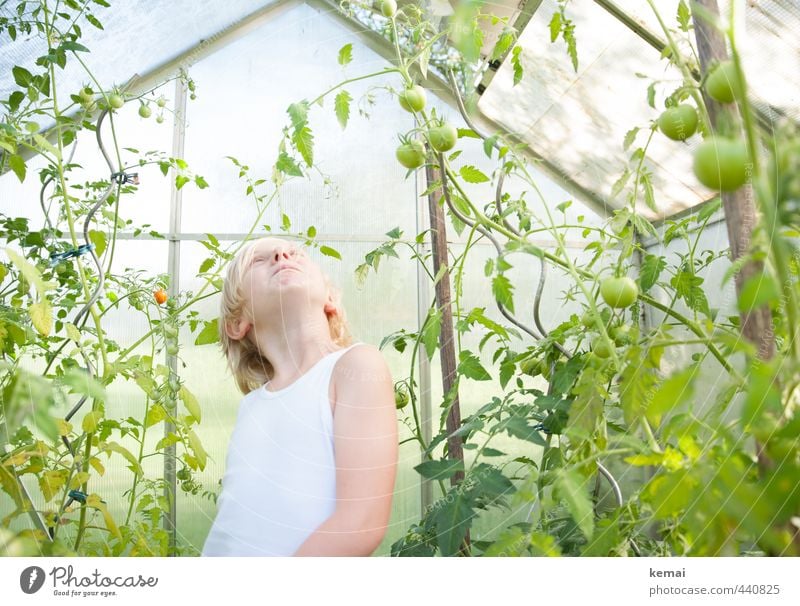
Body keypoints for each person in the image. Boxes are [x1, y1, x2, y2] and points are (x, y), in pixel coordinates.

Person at [201, 236, 398, 556]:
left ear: (330, 298)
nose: (281, 254)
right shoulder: (251, 406)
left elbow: (361, 523)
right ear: (237, 322)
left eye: (296, 253)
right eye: (258, 260)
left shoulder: (354, 367)